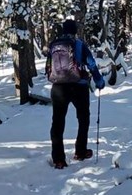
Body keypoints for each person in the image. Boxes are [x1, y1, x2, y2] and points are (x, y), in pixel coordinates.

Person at [45, 19, 105, 169]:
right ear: (75, 31)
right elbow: (91, 63)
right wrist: (99, 81)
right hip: (79, 87)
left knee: (57, 122)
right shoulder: (79, 44)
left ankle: (58, 159)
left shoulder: (55, 44)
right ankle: (80, 151)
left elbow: (49, 65)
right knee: (83, 118)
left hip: (58, 88)